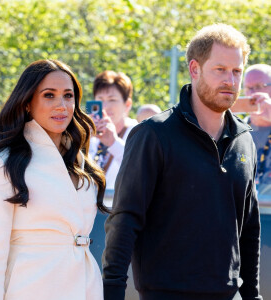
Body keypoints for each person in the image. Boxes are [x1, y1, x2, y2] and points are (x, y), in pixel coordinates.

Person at [102, 24, 262, 300]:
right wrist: (112, 291)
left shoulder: (244, 139)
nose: (230, 81)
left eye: (237, 71)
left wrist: (252, 295)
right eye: (220, 69)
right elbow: (125, 218)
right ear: (194, 69)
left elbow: (249, 228)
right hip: (165, 292)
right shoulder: (154, 134)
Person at [0, 59, 108, 300]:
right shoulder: (3, 162)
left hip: (85, 287)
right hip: (30, 289)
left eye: (68, 95)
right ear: (26, 104)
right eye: (49, 95)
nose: (61, 105)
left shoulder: (79, 162)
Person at [89, 71, 138, 190]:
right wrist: (82, 140)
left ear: (127, 104)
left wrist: (113, 142)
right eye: (100, 99)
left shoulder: (138, 132)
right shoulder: (90, 135)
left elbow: (139, 169)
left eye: (112, 100)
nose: (105, 106)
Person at [243, 64, 271, 196]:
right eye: (249, 88)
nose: (253, 94)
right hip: (244, 213)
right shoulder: (235, 132)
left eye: (260, 86)